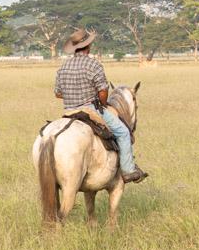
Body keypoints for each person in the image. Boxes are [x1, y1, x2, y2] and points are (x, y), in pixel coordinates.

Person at [54, 28, 148, 183]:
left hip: (69, 111)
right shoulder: (93, 64)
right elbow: (103, 91)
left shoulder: (64, 66)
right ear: (88, 46)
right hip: (90, 109)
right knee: (123, 132)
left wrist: (73, 94)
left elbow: (58, 93)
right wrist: (102, 103)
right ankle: (128, 170)